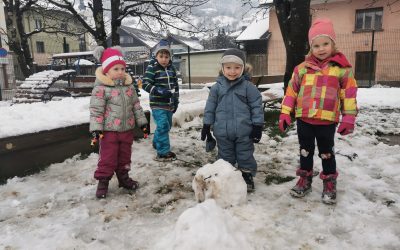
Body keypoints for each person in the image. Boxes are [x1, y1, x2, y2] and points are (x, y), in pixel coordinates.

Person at [278, 18, 358, 204]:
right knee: (305, 151)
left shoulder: (342, 70)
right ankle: (305, 179)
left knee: (326, 153)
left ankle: (329, 182)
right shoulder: (301, 69)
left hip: (327, 122)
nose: (321, 49)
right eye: (316, 45)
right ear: (310, 48)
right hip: (304, 120)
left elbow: (349, 94)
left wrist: (349, 118)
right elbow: (291, 91)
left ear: (333, 44)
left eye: (325, 44)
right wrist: (285, 113)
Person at [201, 48, 264, 192]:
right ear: (222, 68)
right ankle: (226, 175)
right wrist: (206, 124)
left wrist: (257, 125)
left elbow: (256, 106)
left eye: (237, 67)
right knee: (225, 156)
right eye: (228, 67)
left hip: (244, 131)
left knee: (245, 154)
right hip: (222, 132)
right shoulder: (217, 88)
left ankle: (246, 175)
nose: (232, 71)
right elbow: (210, 107)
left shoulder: (248, 87)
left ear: (243, 68)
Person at [90, 46, 148, 199]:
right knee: (107, 157)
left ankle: (123, 177)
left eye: (122, 68)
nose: (120, 71)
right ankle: (103, 181)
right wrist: (96, 129)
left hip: (126, 130)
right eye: (116, 68)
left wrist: (142, 122)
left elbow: (136, 106)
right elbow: (96, 111)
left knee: (124, 156)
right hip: (109, 131)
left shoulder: (129, 87)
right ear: (106, 70)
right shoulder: (101, 88)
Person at [142, 39, 179, 161]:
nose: (164, 59)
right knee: (162, 125)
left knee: (166, 127)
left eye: (167, 56)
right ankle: (163, 152)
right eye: (161, 56)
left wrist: (176, 101)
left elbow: (175, 86)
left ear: (170, 57)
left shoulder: (172, 69)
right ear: (156, 56)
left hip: (169, 104)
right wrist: (157, 90)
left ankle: (157, 142)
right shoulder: (152, 68)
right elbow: (145, 84)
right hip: (157, 104)